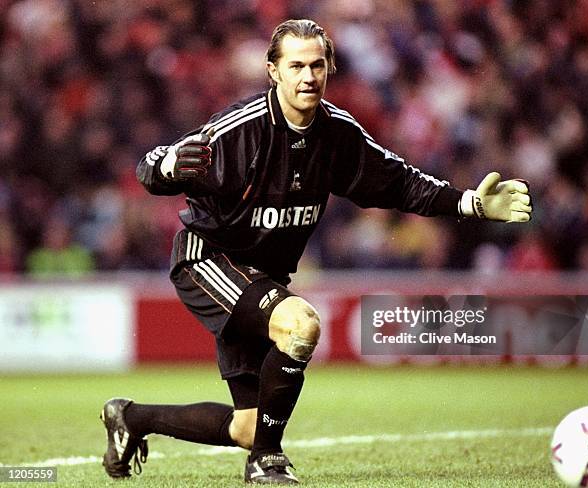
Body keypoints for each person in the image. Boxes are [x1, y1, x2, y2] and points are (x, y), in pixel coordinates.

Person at [100, 19, 532, 484]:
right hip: (210, 259)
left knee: (248, 425)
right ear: (273, 71)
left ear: (329, 69)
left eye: (317, 65)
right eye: (296, 66)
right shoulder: (238, 132)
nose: (308, 76)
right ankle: (266, 462)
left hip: (263, 277)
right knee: (300, 324)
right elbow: (153, 165)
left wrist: (467, 203)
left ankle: (132, 418)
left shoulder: (338, 134)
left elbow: (400, 184)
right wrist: (163, 164)